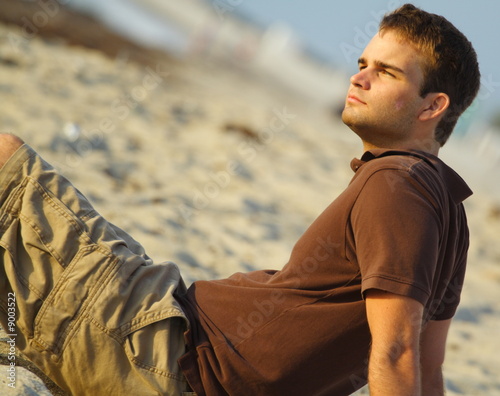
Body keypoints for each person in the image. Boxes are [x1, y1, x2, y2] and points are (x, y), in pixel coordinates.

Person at [0, 3, 480, 396]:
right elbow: (429, 370)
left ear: (432, 106)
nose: (358, 78)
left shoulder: (395, 184)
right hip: (167, 336)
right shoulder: (448, 209)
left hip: (158, 348)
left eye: (386, 72)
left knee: (6, 158)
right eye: (361, 65)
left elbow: (397, 355)